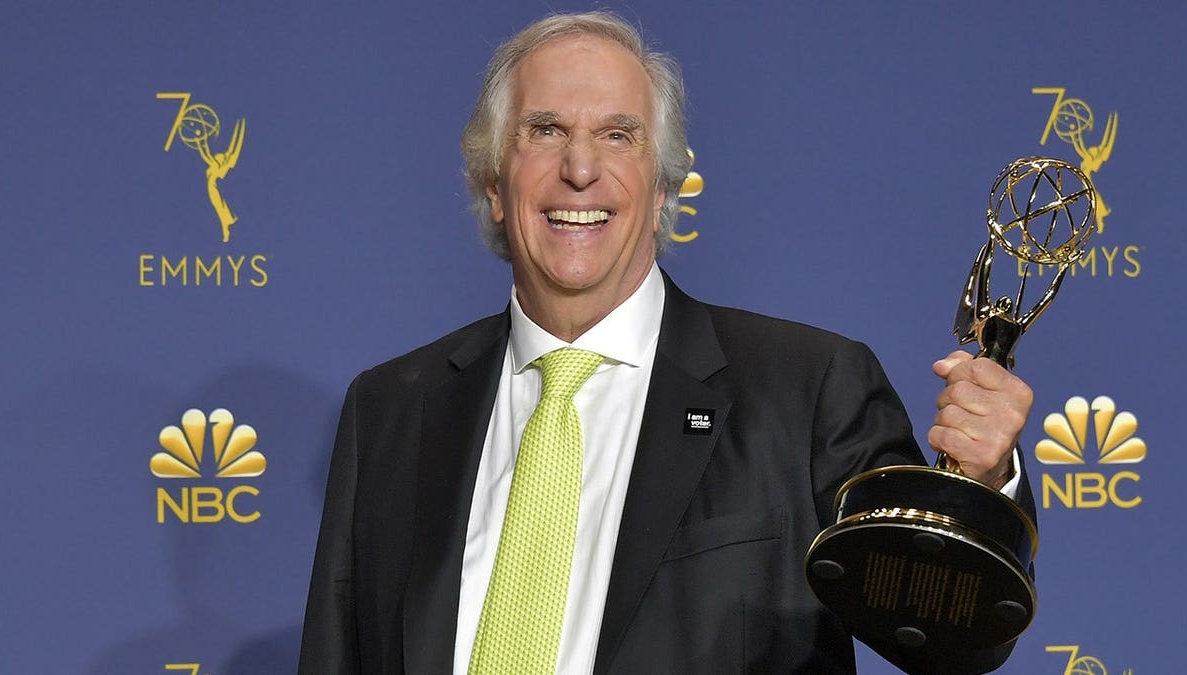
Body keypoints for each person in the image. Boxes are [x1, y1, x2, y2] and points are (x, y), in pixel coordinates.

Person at [300, 11, 1034, 674]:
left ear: (662, 188)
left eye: (617, 135)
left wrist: (983, 481)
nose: (580, 169)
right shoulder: (391, 410)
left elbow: (956, 638)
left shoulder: (809, 389)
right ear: (494, 181)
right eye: (545, 130)